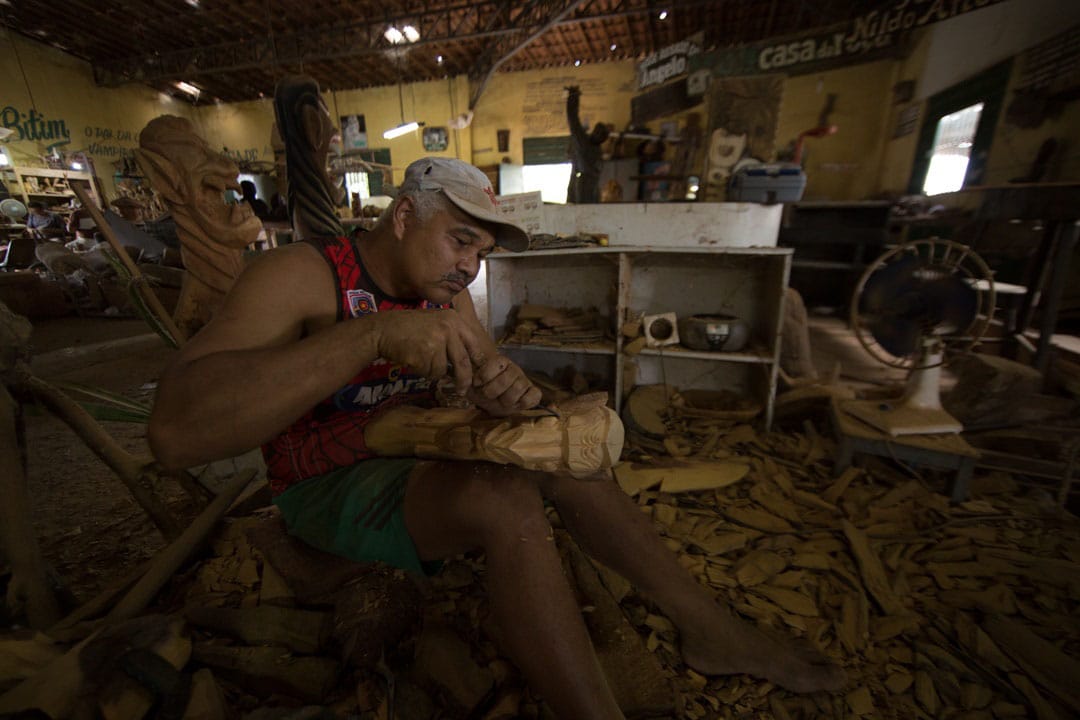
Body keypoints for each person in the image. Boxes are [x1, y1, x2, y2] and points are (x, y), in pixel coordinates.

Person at [148, 157, 844, 719]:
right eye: (460, 240)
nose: (469, 268)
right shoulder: (301, 275)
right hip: (324, 483)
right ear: (402, 216)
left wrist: (513, 394)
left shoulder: (445, 293)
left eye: (481, 252)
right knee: (504, 499)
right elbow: (175, 433)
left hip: (413, 455)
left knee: (558, 457)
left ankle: (709, 629)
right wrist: (374, 333)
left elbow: (484, 380)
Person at [565, 85, 610, 204]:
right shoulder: (593, 148)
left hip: (583, 185)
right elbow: (572, 119)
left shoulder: (585, 143)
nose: (598, 135)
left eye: (600, 134)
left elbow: (572, 119)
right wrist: (573, 96)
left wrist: (573, 96)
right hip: (586, 186)